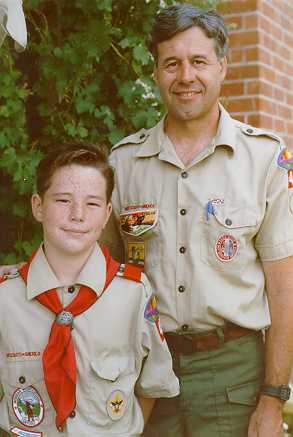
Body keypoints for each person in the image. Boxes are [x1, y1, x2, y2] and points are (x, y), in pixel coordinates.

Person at [102, 3, 293, 437]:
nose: (186, 76)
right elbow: (105, 274)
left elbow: (284, 288)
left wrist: (273, 396)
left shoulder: (264, 159)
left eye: (199, 61)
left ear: (223, 67)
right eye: (172, 63)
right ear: (156, 73)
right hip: (146, 374)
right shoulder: (125, 163)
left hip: (235, 378)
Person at [0, 142, 179, 436]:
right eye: (63, 200)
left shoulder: (133, 294)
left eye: (92, 203)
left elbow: (153, 383)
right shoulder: (6, 297)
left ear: (107, 213)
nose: (78, 215)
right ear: (38, 206)